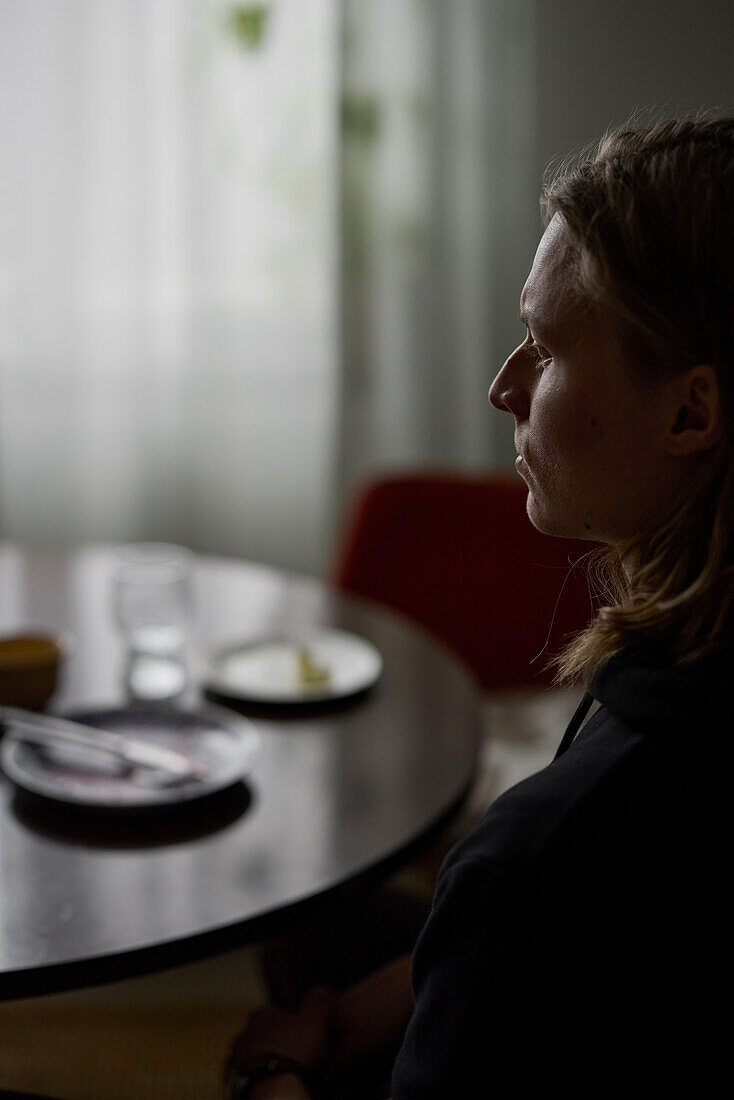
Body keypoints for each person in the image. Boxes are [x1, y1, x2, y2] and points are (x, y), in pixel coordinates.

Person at [223, 113, 733, 1098]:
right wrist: (424, 980)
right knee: (317, 927)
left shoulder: (540, 855)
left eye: (542, 347)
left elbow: (525, 896)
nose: (501, 384)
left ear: (689, 412)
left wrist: (273, 1070)